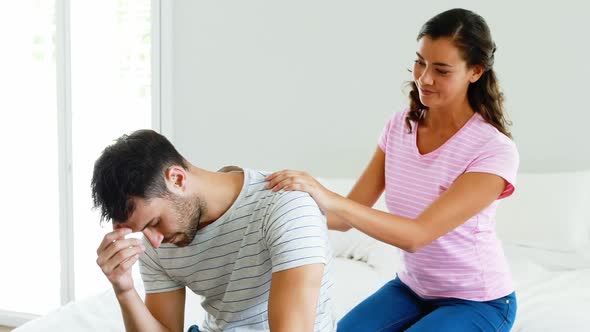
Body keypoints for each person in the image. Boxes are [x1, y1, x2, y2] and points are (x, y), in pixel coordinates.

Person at [266, 8, 518, 332]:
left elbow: (417, 236)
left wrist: (326, 195)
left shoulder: (492, 150)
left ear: (475, 71)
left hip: (479, 301)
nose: (424, 78)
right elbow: (342, 219)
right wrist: (277, 201)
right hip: (412, 289)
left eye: (441, 70)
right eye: (420, 62)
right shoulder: (401, 125)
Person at [91, 129, 335, 332]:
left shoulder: (287, 206)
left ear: (176, 179)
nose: (154, 242)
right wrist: (124, 289)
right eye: (142, 230)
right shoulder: (160, 240)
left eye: (154, 222)